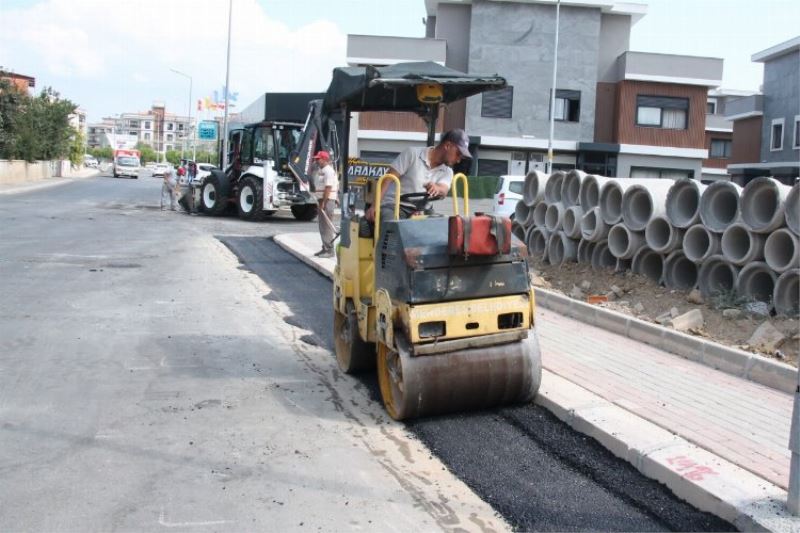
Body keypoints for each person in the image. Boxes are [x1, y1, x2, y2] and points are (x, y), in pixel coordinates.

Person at [365, 128, 471, 223]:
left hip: (422, 210)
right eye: (458, 154)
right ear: (447, 146)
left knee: (444, 225)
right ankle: (389, 244)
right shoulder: (412, 154)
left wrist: (436, 188)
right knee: (393, 227)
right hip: (394, 206)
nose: (458, 160)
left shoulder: (448, 171)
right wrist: (374, 206)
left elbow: (444, 189)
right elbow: (387, 179)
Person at [312, 150, 339, 258]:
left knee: (326, 226)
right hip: (323, 200)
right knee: (322, 226)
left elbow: (328, 188)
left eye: (318, 159)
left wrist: (323, 202)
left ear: (324, 159)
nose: (317, 161)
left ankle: (329, 250)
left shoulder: (328, 171)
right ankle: (325, 247)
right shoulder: (321, 171)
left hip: (327, 201)